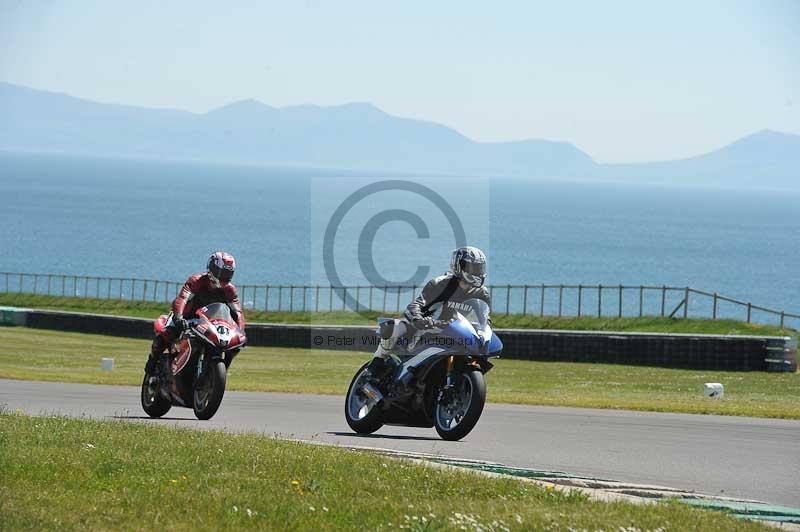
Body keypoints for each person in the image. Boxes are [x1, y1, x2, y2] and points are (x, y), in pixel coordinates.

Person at [366, 246, 491, 378]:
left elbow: (485, 318)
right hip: (426, 326)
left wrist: (483, 333)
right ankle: (376, 362)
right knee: (393, 327)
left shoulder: (482, 293)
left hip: (453, 332)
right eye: (473, 267)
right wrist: (418, 319)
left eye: (480, 268)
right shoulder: (440, 284)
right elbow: (417, 304)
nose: (478, 272)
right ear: (459, 266)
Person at [144, 251, 245, 373]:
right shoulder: (196, 281)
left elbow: (237, 312)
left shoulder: (230, 290)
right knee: (166, 333)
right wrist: (178, 317)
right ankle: (153, 361)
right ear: (212, 268)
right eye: (222, 272)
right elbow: (182, 299)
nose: (225, 276)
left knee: (233, 347)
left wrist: (241, 331)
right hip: (186, 319)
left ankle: (218, 371)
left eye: (228, 273)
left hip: (210, 324)